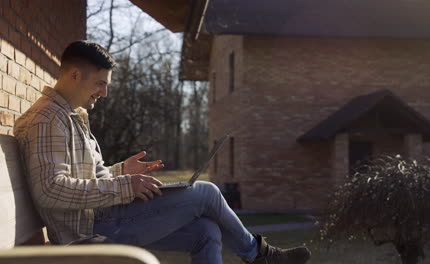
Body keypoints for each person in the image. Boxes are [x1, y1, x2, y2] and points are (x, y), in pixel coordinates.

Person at [13, 40, 311, 264]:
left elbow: (78, 178)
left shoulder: (69, 115)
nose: (104, 92)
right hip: (88, 230)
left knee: (207, 231)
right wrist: (123, 186)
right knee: (206, 193)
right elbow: (50, 190)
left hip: (102, 216)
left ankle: (259, 254)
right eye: (100, 83)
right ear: (74, 75)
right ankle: (261, 255)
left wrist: (120, 172)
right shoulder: (49, 119)